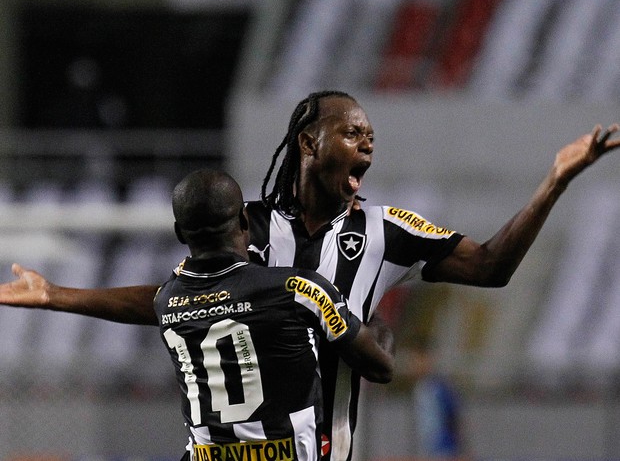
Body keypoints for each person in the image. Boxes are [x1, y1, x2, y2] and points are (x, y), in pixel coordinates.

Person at [1, 91, 619, 461]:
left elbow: (490, 267)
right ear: (308, 141)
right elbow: (168, 299)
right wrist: (56, 293)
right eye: (353, 133)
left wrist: (555, 180)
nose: (367, 145)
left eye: (372, 137)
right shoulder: (244, 227)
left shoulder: (386, 229)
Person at [155, 168, 393, 460]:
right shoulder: (298, 290)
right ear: (245, 220)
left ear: (179, 233)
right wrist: (374, 314)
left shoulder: (166, 300)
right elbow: (381, 367)